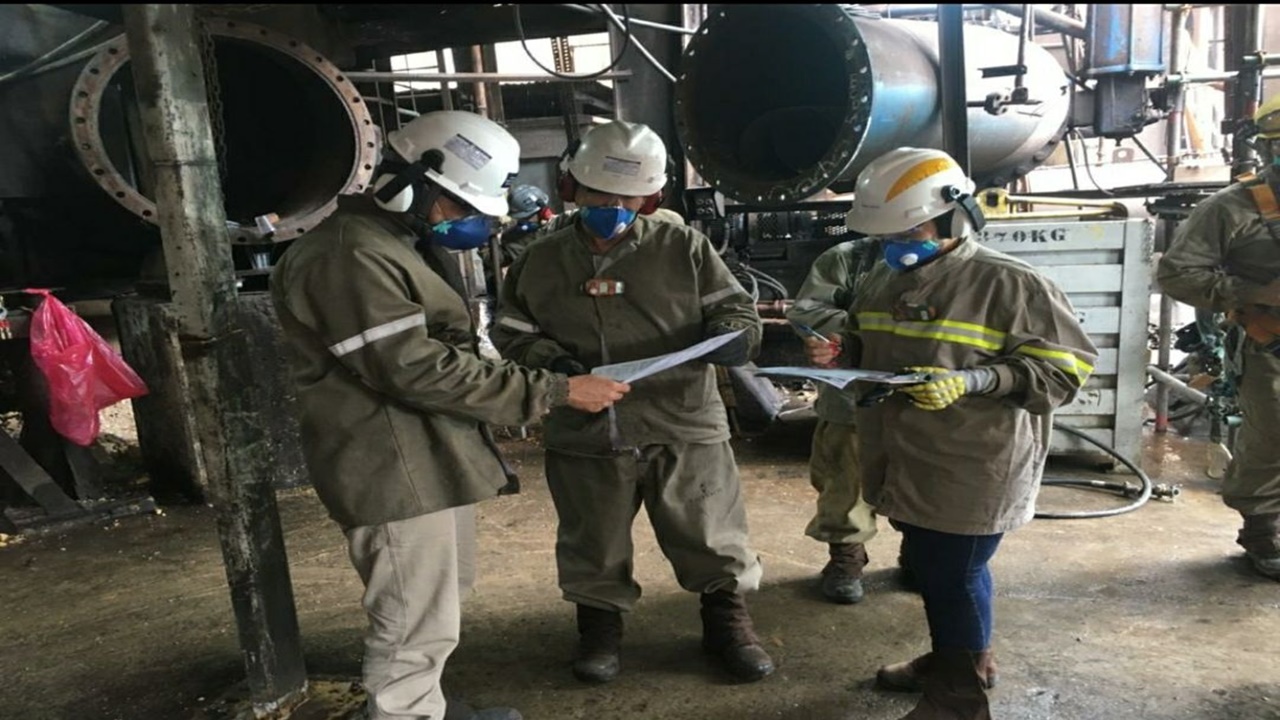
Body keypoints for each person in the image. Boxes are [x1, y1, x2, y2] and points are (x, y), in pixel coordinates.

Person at [269, 110, 632, 720]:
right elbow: (413, 368)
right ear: (407, 183)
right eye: (460, 205)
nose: (468, 221)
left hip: (425, 456)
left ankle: (424, 707)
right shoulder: (347, 256)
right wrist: (555, 391)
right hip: (390, 466)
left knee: (439, 601)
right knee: (411, 621)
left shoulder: (391, 245)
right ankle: (404, 712)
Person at [806, 147, 1096, 720]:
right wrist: (844, 352)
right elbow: (874, 345)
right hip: (903, 455)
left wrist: (975, 381)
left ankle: (957, 699)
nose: (894, 246)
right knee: (946, 568)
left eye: (907, 232)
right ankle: (965, 661)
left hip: (973, 462)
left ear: (954, 216)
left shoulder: (1010, 284)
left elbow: (1065, 372)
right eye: (884, 237)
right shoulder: (884, 278)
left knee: (951, 575)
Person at [490, 120, 774, 685]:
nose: (612, 208)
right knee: (592, 539)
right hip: (586, 425)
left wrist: (734, 336)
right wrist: (557, 365)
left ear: (651, 197)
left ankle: (728, 624)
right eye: (600, 195)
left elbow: (736, 312)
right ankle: (599, 629)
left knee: (710, 531)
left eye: (627, 199)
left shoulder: (684, 248)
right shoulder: (539, 260)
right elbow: (511, 331)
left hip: (681, 419)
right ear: (572, 188)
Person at [1158, 93, 1280, 582]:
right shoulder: (1231, 209)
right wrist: (1256, 291)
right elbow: (1177, 274)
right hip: (1270, 344)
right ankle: (1264, 528)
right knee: (1272, 440)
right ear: (1268, 149)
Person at [785, 239, 880, 604]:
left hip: (929, 400)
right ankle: (847, 558)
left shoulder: (963, 265)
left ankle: (922, 554)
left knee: (926, 489)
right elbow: (808, 310)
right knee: (845, 483)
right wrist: (852, 332)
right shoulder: (850, 259)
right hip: (851, 397)